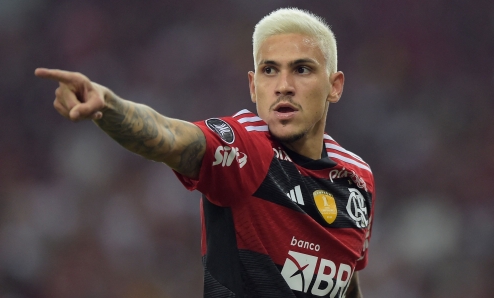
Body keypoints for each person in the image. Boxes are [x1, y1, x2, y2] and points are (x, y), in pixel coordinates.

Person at [36, 7, 375, 298]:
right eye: (269, 70)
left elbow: (345, 280)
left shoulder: (357, 178)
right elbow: (171, 136)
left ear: (334, 86)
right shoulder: (246, 148)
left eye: (302, 69)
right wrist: (108, 106)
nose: (283, 85)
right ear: (252, 86)